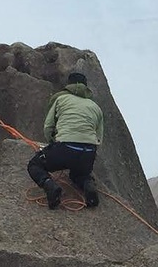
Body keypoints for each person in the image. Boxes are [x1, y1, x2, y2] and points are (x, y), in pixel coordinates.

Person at [27, 72, 104, 210]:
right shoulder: (95, 107)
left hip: (66, 148)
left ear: (68, 85)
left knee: (34, 165)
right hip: (88, 153)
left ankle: (50, 186)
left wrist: (52, 143)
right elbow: (99, 136)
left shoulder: (61, 99)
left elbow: (48, 127)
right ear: (86, 88)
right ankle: (87, 184)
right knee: (78, 174)